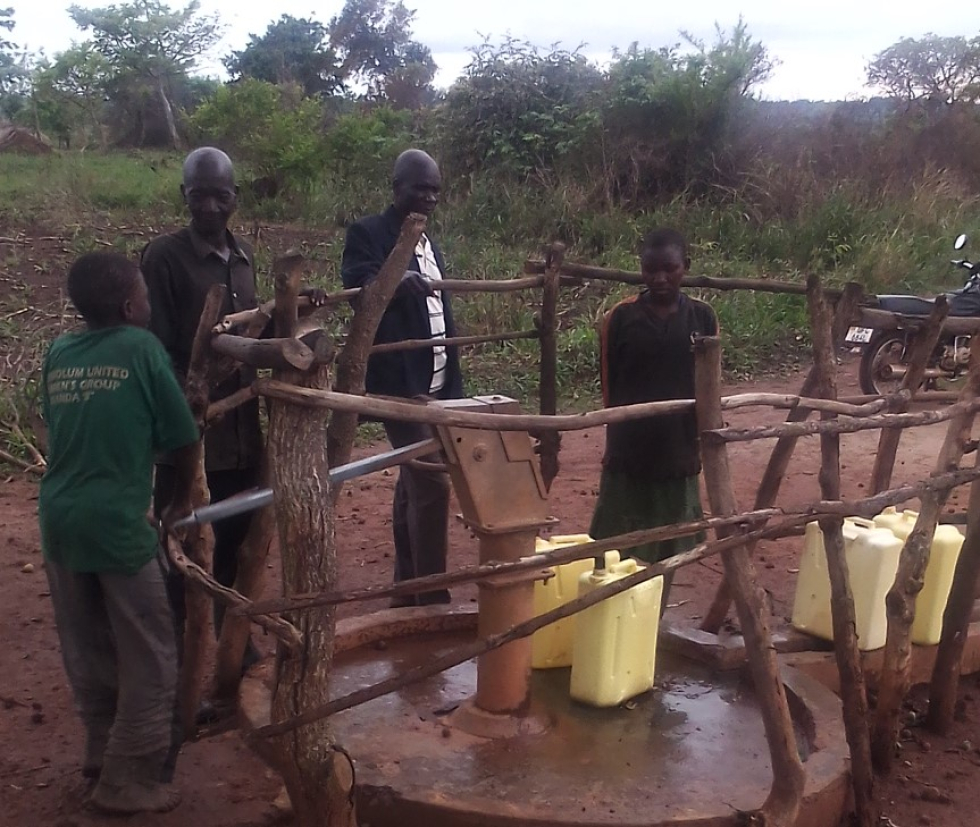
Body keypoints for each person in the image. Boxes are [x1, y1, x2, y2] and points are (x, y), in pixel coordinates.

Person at [38, 252, 199, 814]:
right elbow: (182, 437)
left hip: (60, 521)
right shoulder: (142, 348)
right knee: (153, 655)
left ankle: (97, 756)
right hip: (116, 525)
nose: (150, 304)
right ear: (132, 306)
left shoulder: (60, 351)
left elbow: (70, 424)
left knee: (90, 649)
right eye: (145, 296)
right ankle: (128, 781)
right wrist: (179, 503)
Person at [141, 147, 263, 675]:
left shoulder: (243, 257)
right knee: (181, 540)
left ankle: (232, 641)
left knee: (235, 535)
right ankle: (173, 660)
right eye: (199, 195)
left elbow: (258, 332)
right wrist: (191, 400)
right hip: (187, 429)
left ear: (236, 197)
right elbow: (155, 346)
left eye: (221, 195)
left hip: (239, 426)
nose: (210, 206)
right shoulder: (164, 257)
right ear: (183, 196)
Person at [341, 149, 463, 606]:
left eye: (434, 189)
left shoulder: (431, 243)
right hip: (398, 381)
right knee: (431, 478)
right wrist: (393, 279)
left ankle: (405, 588)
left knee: (416, 478)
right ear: (397, 188)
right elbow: (359, 289)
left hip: (435, 381)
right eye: (419, 188)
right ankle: (430, 593)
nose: (428, 197)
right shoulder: (369, 233)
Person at [589, 228, 718, 599]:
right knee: (616, 542)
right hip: (629, 451)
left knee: (669, 546)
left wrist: (698, 438)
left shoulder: (703, 318)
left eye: (669, 269)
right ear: (641, 270)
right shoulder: (621, 318)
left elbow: (709, 384)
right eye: (651, 270)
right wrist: (616, 440)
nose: (660, 278)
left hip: (678, 450)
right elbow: (609, 386)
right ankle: (611, 608)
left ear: (685, 267)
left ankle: (651, 615)